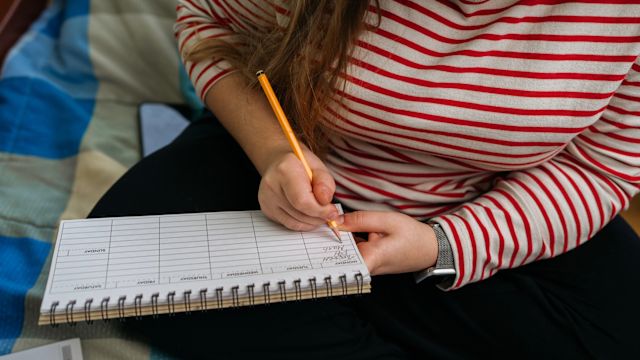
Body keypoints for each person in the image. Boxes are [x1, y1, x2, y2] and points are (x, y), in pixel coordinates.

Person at [90, 1, 640, 358]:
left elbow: (600, 168)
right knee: (116, 260)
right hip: (289, 167)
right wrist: (277, 151)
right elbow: (212, 24)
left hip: (496, 204)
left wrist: (442, 245)